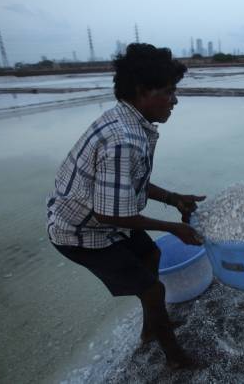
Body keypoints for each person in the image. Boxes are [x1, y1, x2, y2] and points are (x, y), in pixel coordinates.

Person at [46, 43, 204, 369]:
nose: (175, 100)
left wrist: (173, 199)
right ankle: (175, 357)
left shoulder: (131, 122)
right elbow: (110, 213)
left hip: (105, 216)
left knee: (152, 255)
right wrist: (173, 226)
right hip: (80, 231)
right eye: (169, 92)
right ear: (142, 92)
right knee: (152, 290)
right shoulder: (123, 138)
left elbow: (127, 185)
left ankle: (151, 329)